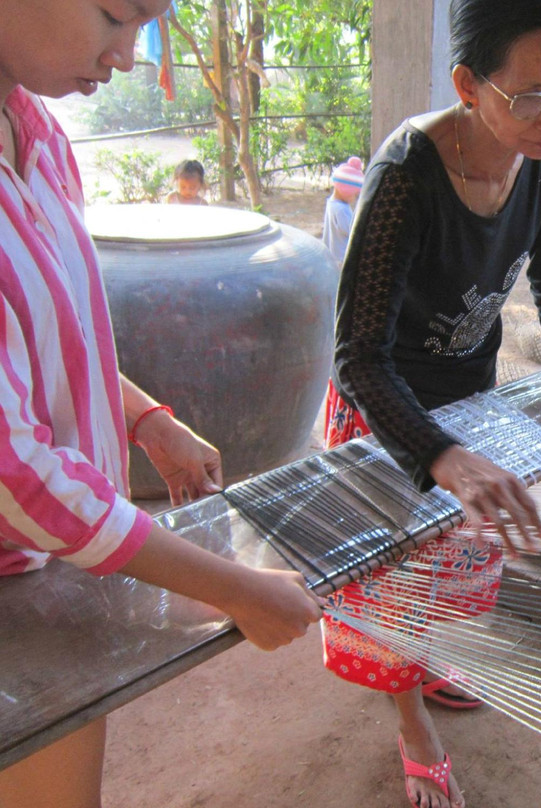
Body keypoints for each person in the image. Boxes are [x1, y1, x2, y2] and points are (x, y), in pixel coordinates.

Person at [0, 2, 324, 806]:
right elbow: (16, 473)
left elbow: (53, 344)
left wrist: (143, 417)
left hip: (53, 572)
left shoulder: (38, 139)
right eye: (116, 15)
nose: (128, 54)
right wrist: (233, 586)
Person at [322, 1, 541, 805]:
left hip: (467, 402)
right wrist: (442, 457)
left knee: (454, 558)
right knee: (397, 581)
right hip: (387, 413)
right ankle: (411, 719)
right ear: (467, 85)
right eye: (531, 96)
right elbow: (357, 357)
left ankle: (429, 666)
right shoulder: (404, 178)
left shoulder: (539, 151)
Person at [322, 155, 365, 266]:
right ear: (346, 190)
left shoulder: (331, 203)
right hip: (342, 260)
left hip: (331, 257)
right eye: (355, 194)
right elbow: (354, 232)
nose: (355, 198)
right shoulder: (342, 210)